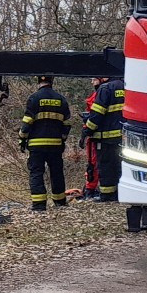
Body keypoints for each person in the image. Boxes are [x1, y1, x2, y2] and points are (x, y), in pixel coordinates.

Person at [18, 75, 72, 211]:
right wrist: (62, 138)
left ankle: (39, 205)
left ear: (38, 82)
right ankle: (60, 201)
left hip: (36, 145)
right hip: (55, 145)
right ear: (52, 81)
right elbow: (67, 124)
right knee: (57, 172)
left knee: (36, 173)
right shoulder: (61, 99)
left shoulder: (34, 98)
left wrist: (22, 139)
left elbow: (27, 123)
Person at [81, 74, 126, 201]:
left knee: (106, 166)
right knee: (119, 166)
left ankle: (107, 195)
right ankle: (120, 194)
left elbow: (97, 113)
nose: (92, 82)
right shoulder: (126, 86)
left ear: (104, 77)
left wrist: (87, 130)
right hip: (123, 137)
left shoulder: (105, 88)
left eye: (94, 79)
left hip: (105, 137)